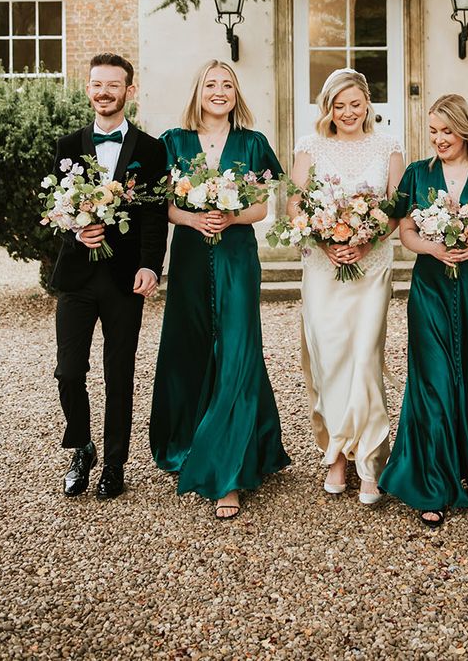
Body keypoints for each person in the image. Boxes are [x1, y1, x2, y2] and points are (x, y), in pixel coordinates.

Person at [149, 59, 290, 519]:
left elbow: (262, 209)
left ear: (236, 93)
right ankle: (189, 441)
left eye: (226, 84)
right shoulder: (174, 142)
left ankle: (229, 472)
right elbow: (166, 207)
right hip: (190, 257)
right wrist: (193, 218)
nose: (218, 91)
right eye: (210, 84)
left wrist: (230, 216)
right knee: (189, 347)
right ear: (198, 91)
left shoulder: (253, 143)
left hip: (235, 257)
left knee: (238, 349)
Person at [379, 94, 468, 526]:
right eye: (433, 131)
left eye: (447, 131)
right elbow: (406, 234)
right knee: (433, 381)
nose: (439, 139)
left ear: (465, 130)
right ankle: (434, 482)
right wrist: (435, 248)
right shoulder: (418, 174)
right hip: (431, 289)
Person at [53, 53, 168, 499]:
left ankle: (115, 463)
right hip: (77, 278)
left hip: (125, 280)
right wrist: (76, 227)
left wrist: (149, 265)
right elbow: (56, 208)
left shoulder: (151, 149)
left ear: (128, 91)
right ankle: (82, 447)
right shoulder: (67, 145)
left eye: (113, 85)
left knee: (118, 373)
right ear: (88, 89)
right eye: (97, 85)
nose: (104, 92)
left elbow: (156, 215)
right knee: (68, 371)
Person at [288, 68, 405, 504]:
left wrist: (366, 239)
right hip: (322, 266)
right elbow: (295, 205)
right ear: (328, 108)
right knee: (331, 357)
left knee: (364, 357)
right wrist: (326, 239)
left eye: (356, 104)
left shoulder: (388, 146)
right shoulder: (310, 146)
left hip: (371, 266)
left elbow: (396, 208)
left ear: (368, 105)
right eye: (340, 105)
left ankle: (370, 460)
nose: (349, 112)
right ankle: (337, 453)